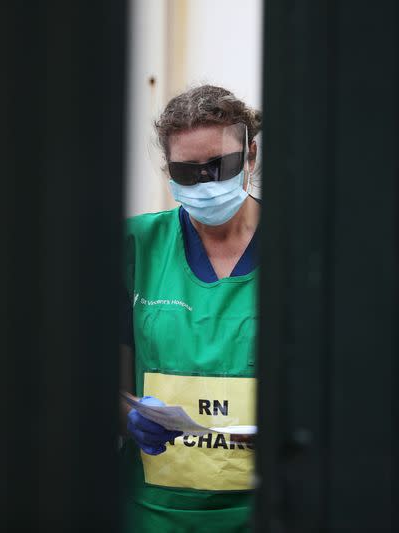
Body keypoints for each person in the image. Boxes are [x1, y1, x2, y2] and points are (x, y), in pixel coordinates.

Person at [120, 85, 261, 532]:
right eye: (187, 170)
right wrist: (129, 416)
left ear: (251, 156)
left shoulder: (306, 251)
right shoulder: (136, 246)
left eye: (220, 166)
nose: (206, 183)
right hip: (156, 513)